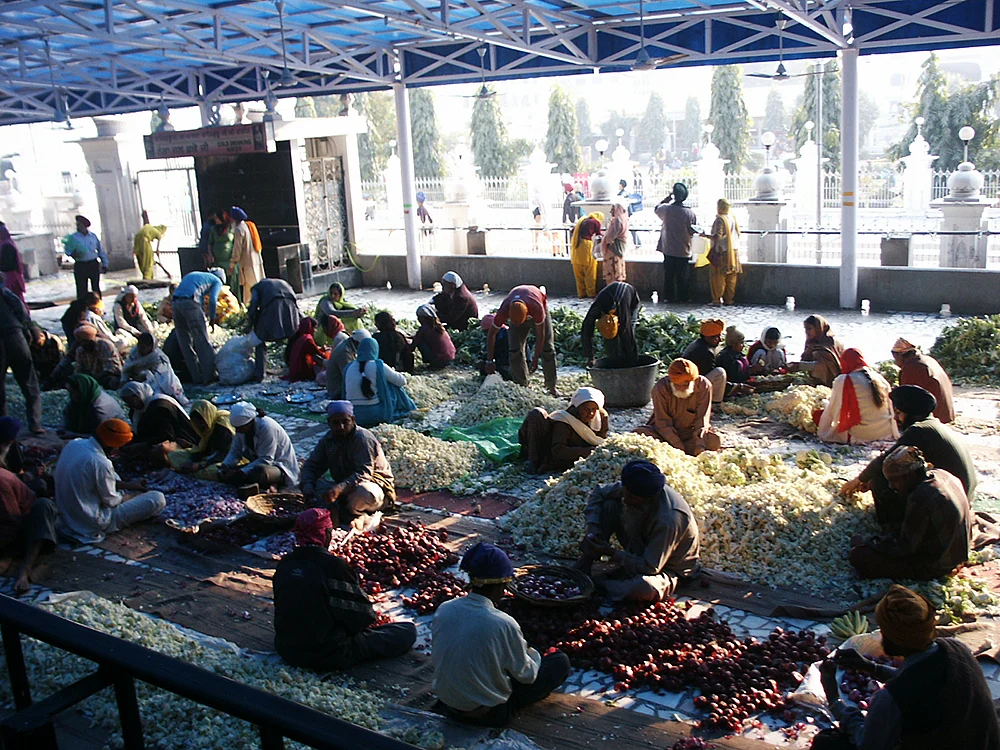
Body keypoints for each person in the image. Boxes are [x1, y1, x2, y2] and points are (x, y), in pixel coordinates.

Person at [814, 585, 1000, 750]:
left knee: (826, 743)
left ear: (889, 637)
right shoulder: (957, 649)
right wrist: (870, 667)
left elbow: (868, 743)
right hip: (987, 742)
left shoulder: (890, 699)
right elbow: (921, 682)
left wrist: (833, 697)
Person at [432, 542, 571, 726]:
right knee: (560, 662)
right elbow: (527, 675)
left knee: (500, 659)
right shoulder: (503, 623)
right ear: (501, 585)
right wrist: (533, 653)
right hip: (487, 714)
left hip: (448, 704)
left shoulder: (445, 609)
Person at [273, 508, 417, 671]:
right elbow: (362, 618)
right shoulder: (332, 566)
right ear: (327, 534)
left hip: (286, 649)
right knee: (407, 631)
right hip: (328, 653)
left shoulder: (285, 564)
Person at [841, 385, 977, 526]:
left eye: (899, 413)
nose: (895, 417)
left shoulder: (919, 430)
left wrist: (858, 481)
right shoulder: (934, 425)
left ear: (914, 414)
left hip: (952, 508)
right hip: (962, 499)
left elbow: (885, 461)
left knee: (880, 478)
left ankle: (893, 528)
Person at [575, 459, 700, 601]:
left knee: (645, 587)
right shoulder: (632, 488)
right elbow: (599, 493)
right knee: (609, 505)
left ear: (648, 499)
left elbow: (650, 567)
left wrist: (611, 552)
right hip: (638, 544)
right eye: (625, 493)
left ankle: (601, 585)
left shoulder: (668, 519)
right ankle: (585, 563)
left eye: (632, 498)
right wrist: (593, 531)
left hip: (666, 567)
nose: (626, 500)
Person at [849, 446, 971, 581]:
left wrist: (867, 542)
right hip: (957, 553)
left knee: (859, 555)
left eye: (895, 480)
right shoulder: (942, 473)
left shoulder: (921, 497)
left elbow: (904, 548)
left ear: (911, 475)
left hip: (938, 565)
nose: (891, 486)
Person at [54, 419, 166, 544]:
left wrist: (130, 485)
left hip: (67, 514)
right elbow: (111, 501)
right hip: (92, 521)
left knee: (111, 473)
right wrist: (132, 495)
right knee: (158, 498)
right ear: (112, 446)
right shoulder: (101, 462)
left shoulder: (74, 444)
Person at [300, 401, 396, 524]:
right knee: (310, 483)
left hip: (371, 484)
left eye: (345, 422)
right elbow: (312, 465)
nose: (341, 427)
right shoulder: (328, 440)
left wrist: (340, 488)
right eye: (335, 423)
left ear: (353, 420)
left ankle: (349, 512)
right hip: (343, 486)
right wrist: (308, 485)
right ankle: (340, 507)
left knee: (366, 493)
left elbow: (365, 472)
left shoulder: (362, 438)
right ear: (329, 423)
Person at [634, 358, 722, 456]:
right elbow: (662, 423)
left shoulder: (704, 386)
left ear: (693, 381)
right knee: (638, 434)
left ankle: (678, 450)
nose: (681, 388)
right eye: (677, 385)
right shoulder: (660, 388)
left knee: (714, 441)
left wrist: (699, 445)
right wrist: (678, 446)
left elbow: (702, 420)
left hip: (690, 434)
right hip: (664, 435)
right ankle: (675, 449)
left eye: (685, 384)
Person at [486, 285, 557, 396]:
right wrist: (489, 360)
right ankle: (522, 385)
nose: (519, 325)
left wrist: (535, 359)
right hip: (518, 310)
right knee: (514, 349)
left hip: (536, 304)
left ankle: (551, 386)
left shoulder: (536, 308)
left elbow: (540, 335)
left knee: (548, 349)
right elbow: (491, 334)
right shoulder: (504, 309)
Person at [518, 387, 609, 473]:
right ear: (577, 407)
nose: (591, 413)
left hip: (579, 454)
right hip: (552, 452)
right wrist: (590, 451)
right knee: (536, 413)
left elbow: (601, 440)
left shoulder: (600, 418)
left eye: (594, 409)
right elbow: (558, 451)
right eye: (586, 409)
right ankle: (534, 460)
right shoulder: (565, 421)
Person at [817, 348, 897, 444]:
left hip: (861, 435)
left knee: (818, 416)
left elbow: (833, 411)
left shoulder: (844, 380)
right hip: (886, 432)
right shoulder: (879, 377)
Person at [0, 464, 57, 594]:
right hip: (7, 526)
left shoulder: (1, 482)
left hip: (24, 525)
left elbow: (12, 523)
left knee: (44, 505)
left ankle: (24, 570)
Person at [218, 402, 298, 492]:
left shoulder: (267, 427)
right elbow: (235, 451)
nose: (237, 431)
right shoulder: (242, 430)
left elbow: (266, 459)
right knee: (230, 473)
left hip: (278, 467)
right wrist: (225, 466)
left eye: (239, 428)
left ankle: (273, 483)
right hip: (257, 464)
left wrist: (241, 472)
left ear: (249, 423)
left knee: (260, 472)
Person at [0, 285, 43, 434]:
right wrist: (26, 327)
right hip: (15, 335)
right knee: (29, 381)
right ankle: (35, 424)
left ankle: (4, 426)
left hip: (11, 335)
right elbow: (20, 308)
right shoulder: (4, 291)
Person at [345, 338, 416, 427]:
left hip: (354, 415)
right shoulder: (378, 365)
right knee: (394, 386)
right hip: (376, 414)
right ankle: (407, 407)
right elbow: (402, 381)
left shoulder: (349, 367)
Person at [171, 269, 225, 385]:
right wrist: (212, 318)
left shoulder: (195, 274)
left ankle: (196, 378)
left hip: (175, 303)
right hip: (190, 303)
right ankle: (208, 376)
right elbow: (213, 300)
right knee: (202, 341)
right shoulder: (216, 280)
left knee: (185, 343)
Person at [119, 381, 198, 457]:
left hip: (183, 440)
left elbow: (166, 436)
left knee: (159, 449)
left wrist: (142, 445)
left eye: (130, 401)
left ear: (138, 395)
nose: (129, 405)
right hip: (159, 440)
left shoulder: (159, 407)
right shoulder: (137, 411)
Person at [247, 277, 303, 382]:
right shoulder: (284, 282)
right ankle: (292, 366)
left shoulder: (256, 287)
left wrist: (250, 319)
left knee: (260, 339)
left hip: (272, 309)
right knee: (292, 337)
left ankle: (260, 373)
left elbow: (254, 303)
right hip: (290, 310)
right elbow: (296, 303)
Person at [167, 400, 235, 481]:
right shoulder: (201, 428)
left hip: (227, 458)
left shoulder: (222, 425)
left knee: (216, 470)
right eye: (197, 422)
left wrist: (200, 465)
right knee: (173, 455)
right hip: (209, 457)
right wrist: (191, 461)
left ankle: (196, 472)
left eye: (202, 421)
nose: (200, 425)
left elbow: (225, 453)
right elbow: (202, 449)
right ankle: (194, 472)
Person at [891, 338, 955, 424]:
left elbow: (907, 398)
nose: (895, 361)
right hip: (946, 413)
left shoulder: (913, 367)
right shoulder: (927, 359)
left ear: (900, 355)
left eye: (895, 357)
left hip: (935, 416)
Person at [581, 281, 640, 369]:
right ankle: (613, 360)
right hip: (610, 297)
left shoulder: (622, 311)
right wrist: (589, 356)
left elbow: (628, 336)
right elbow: (586, 329)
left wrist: (633, 365)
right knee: (612, 343)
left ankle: (628, 363)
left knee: (625, 336)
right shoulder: (596, 309)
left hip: (630, 300)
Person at [655, 183, 697, 303]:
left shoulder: (666, 209)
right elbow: (692, 229)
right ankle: (682, 297)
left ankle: (668, 297)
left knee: (668, 275)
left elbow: (656, 208)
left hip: (668, 248)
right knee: (682, 276)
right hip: (683, 249)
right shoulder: (689, 213)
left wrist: (668, 198)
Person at [121, 332, 187, 406]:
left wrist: (146, 375)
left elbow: (165, 376)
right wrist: (124, 380)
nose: (141, 350)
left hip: (157, 383)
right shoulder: (134, 353)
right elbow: (127, 369)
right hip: (137, 382)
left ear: (151, 347)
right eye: (140, 346)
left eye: (144, 347)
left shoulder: (159, 358)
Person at [61, 374, 126, 438]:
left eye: (73, 392)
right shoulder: (80, 399)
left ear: (81, 390)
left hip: (114, 436)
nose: (71, 396)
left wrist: (74, 435)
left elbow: (99, 436)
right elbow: (66, 415)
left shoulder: (100, 408)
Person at [791, 314, 845, 388]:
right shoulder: (811, 342)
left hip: (832, 381)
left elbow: (823, 365)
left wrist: (800, 366)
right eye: (805, 329)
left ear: (818, 328)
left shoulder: (830, 343)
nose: (806, 332)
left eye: (809, 329)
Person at [682, 319, 728, 404]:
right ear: (707, 337)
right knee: (720, 372)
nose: (720, 340)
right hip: (688, 388)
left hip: (686, 384)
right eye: (717, 337)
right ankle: (715, 403)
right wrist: (735, 387)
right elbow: (705, 378)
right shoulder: (705, 352)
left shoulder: (697, 344)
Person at [706, 198, 741, 306]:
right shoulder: (733, 217)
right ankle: (729, 299)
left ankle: (716, 299)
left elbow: (718, 236)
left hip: (722, 252)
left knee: (718, 277)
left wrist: (705, 236)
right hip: (734, 251)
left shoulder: (720, 220)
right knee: (731, 277)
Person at [63, 215, 107, 299]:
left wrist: (105, 264)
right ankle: (82, 309)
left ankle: (98, 307)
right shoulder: (73, 237)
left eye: (79, 225)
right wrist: (73, 254)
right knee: (81, 289)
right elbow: (68, 251)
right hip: (81, 265)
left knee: (96, 288)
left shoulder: (93, 236)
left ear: (85, 226)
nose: (78, 226)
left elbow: (100, 251)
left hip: (93, 264)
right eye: (77, 224)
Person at [228, 206, 265, 306]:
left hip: (248, 264)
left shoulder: (239, 230)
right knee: (259, 285)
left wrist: (232, 264)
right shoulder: (249, 226)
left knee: (250, 290)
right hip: (256, 260)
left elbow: (237, 250)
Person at [72, 324, 123, 390]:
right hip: (91, 377)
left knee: (110, 381)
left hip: (107, 376)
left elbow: (113, 368)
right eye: (81, 341)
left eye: (85, 341)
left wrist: (95, 377)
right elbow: (78, 369)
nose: (83, 344)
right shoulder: (80, 350)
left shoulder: (105, 345)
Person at [327, 329, 371, 399]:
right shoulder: (344, 352)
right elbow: (350, 376)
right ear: (357, 342)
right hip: (337, 391)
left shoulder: (348, 346)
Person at [568, 212, 602, 298]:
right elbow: (599, 235)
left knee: (578, 272)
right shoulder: (596, 222)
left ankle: (581, 294)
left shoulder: (582, 221)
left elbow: (573, 230)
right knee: (590, 271)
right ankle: (591, 293)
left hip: (576, 247)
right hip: (586, 246)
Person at [411, 305, 456, 370]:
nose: (418, 319)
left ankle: (434, 364)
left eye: (419, 317)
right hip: (451, 358)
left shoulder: (424, 329)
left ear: (424, 318)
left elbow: (412, 347)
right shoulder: (440, 327)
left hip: (440, 360)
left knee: (420, 342)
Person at [285, 317, 328, 383]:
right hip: (303, 372)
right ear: (310, 327)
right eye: (315, 328)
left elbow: (313, 350)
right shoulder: (308, 340)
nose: (316, 331)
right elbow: (320, 355)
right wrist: (325, 350)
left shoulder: (299, 337)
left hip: (294, 369)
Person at [715, 326, 758, 392]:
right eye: (741, 343)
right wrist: (750, 371)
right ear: (733, 344)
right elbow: (734, 377)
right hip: (732, 388)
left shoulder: (739, 354)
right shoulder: (726, 357)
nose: (743, 346)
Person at [600, 200, 629, 285]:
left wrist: (605, 240)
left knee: (612, 270)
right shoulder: (623, 219)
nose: (610, 211)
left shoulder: (617, 221)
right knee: (618, 270)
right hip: (618, 248)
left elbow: (611, 236)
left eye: (612, 209)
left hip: (613, 249)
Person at [132, 211, 167, 280]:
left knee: (141, 260)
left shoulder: (149, 227)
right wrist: (157, 251)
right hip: (144, 242)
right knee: (148, 261)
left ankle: (147, 276)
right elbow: (158, 243)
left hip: (136, 242)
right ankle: (147, 278)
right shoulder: (157, 232)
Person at [477, 314, 510, 380]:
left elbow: (508, 357)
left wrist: (493, 363)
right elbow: (491, 351)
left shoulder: (507, 336)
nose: (487, 335)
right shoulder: (494, 338)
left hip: (512, 364)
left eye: (488, 331)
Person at [0, 222, 26, 304]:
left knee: (14, 302)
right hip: (9, 279)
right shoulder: (4, 243)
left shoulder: (6, 245)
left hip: (11, 280)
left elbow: (9, 265)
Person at [207, 209, 235, 285]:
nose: (215, 220)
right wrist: (210, 255)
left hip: (229, 260)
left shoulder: (231, 228)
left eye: (217, 218)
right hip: (217, 261)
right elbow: (210, 243)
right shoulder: (213, 229)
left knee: (230, 280)